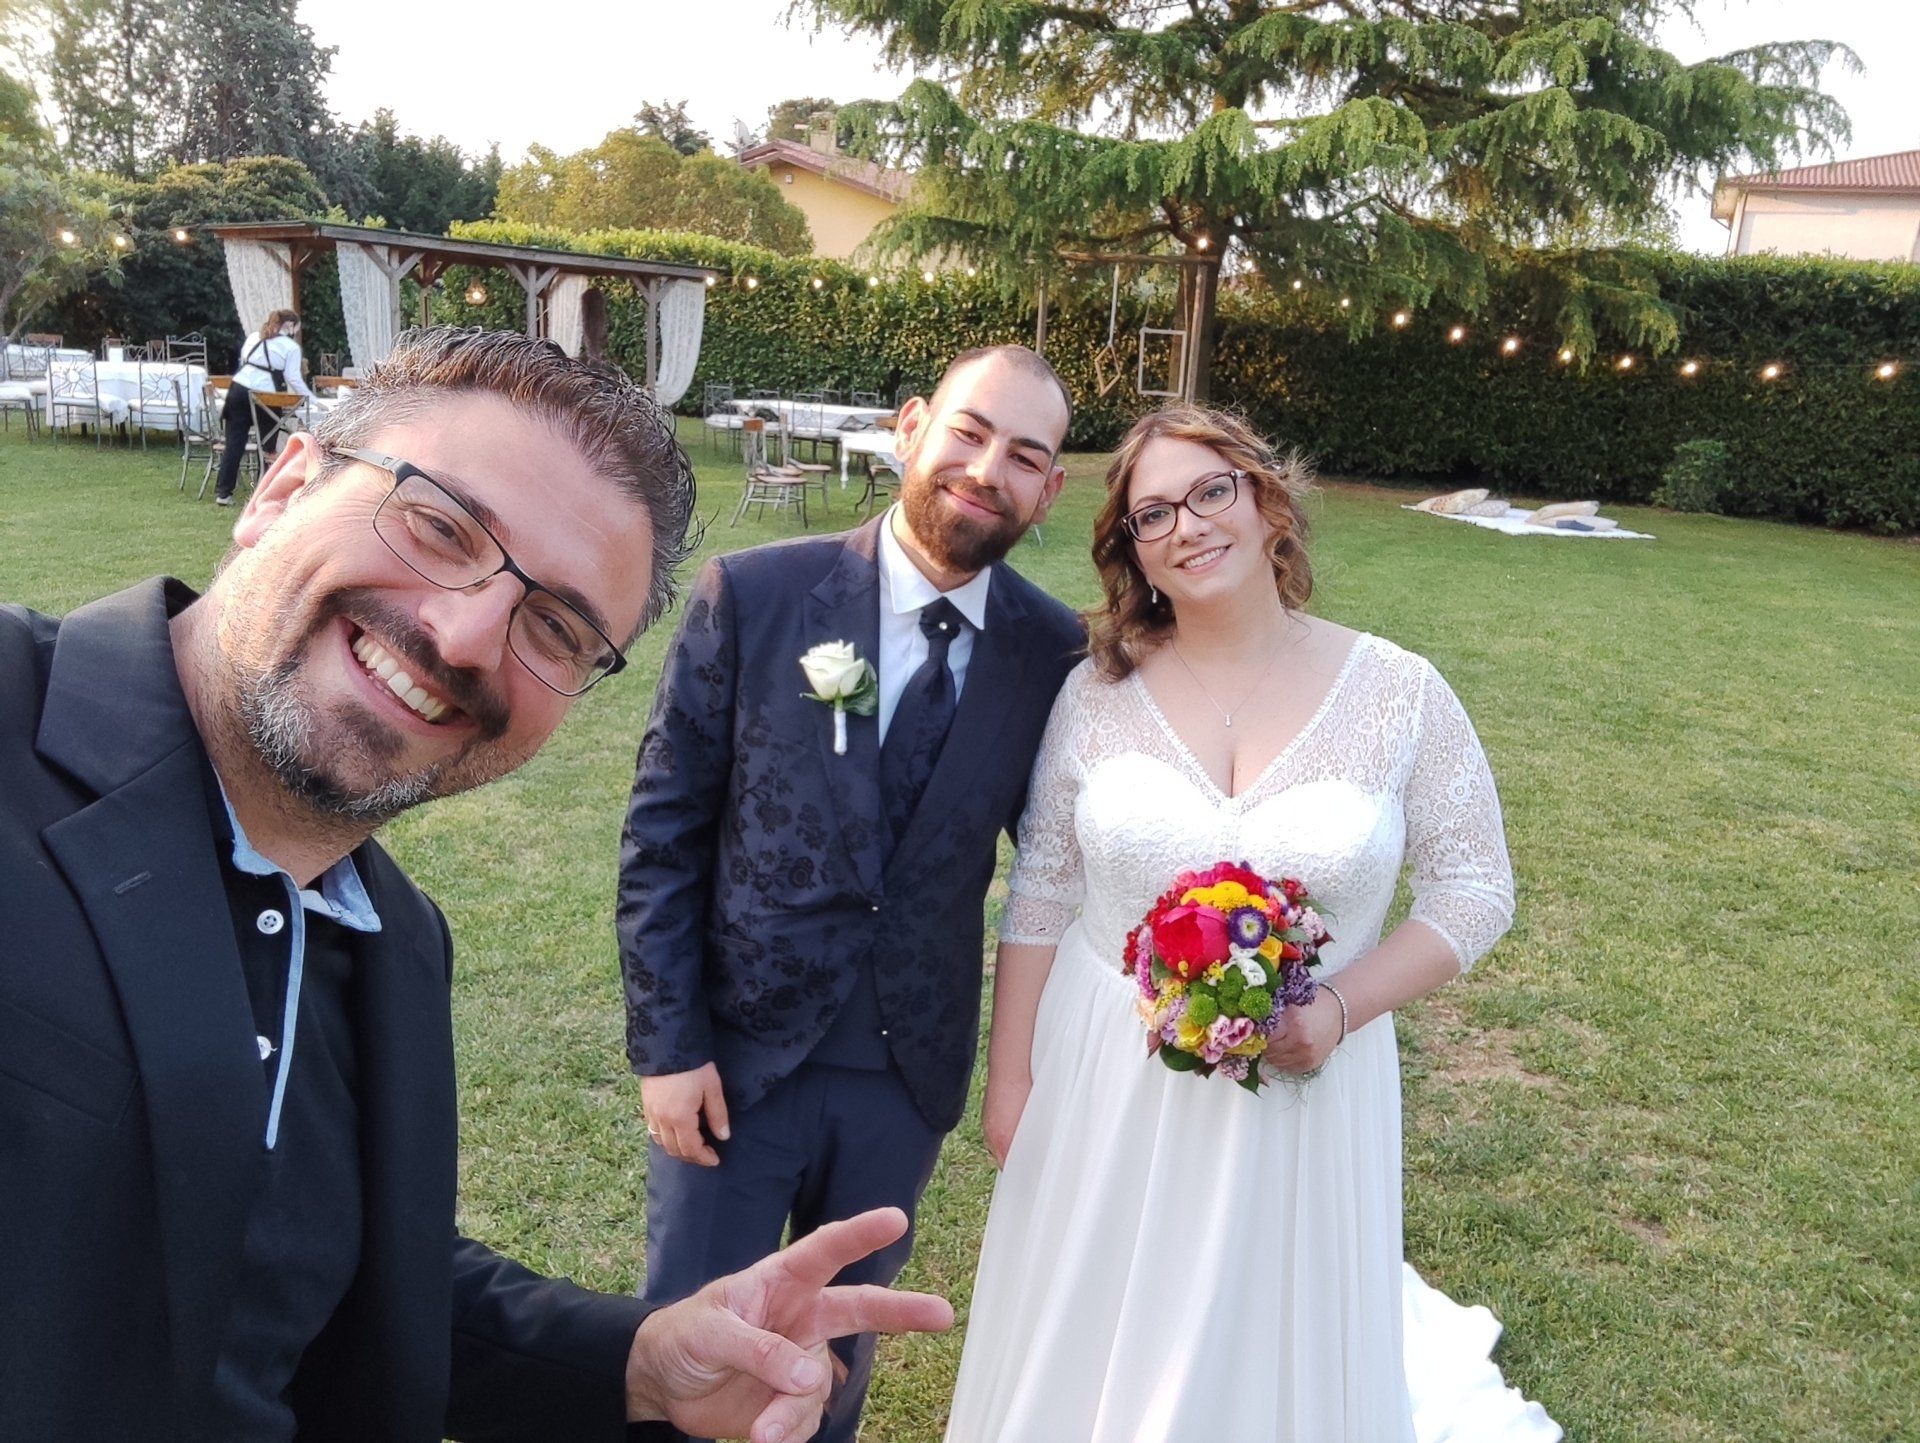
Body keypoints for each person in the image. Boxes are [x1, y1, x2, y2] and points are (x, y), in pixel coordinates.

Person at [0, 326, 952, 1443]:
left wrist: (640, 1362)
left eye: (554, 626)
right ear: (284, 486)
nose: (462, 635)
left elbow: (346, 1275)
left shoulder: (397, 946)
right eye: (440, 526)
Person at [944, 405, 1562, 1442]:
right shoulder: (1094, 695)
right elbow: (1041, 891)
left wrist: (1339, 1008)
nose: (1186, 525)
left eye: (1210, 492)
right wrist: (1012, 1084)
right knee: (1098, 1332)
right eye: (1152, 514)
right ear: (1134, 552)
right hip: (1108, 1079)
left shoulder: (1399, 692)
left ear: (1268, 502)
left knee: (1268, 1346)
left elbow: (1475, 888)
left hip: (1308, 1093)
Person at [618, 345, 1084, 1443]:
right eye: (970, 431)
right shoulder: (759, 595)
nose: (988, 470)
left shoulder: (1052, 651)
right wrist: (667, 1047)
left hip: (904, 1078)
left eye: (1025, 456)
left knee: (828, 1361)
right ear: (912, 426)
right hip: (736, 1063)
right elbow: (663, 832)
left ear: (1051, 489)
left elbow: (1065, 858)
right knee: (694, 1355)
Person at [214, 307, 315, 506]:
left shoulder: (254, 337)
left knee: (234, 443)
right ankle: (265, 492)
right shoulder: (291, 347)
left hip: (238, 390)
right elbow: (293, 378)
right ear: (291, 327)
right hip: (265, 396)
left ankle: (223, 493)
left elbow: (245, 361)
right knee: (268, 446)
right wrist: (312, 398)